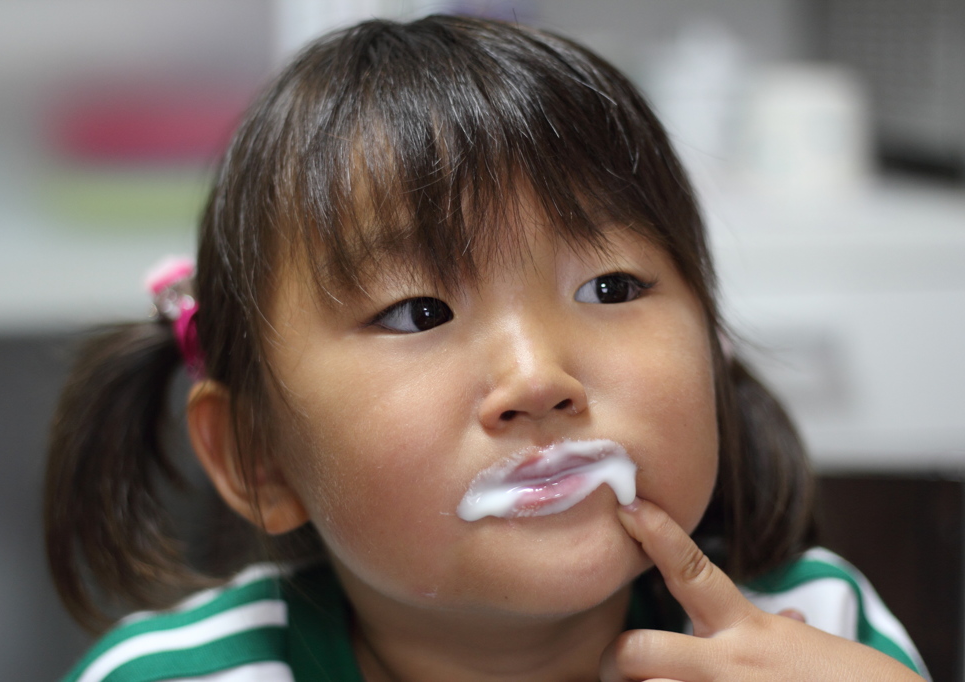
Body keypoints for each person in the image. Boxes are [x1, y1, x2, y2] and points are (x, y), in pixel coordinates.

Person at [45, 14, 929, 682]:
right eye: (419, 312)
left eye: (610, 289)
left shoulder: (821, 631)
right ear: (258, 457)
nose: (538, 377)